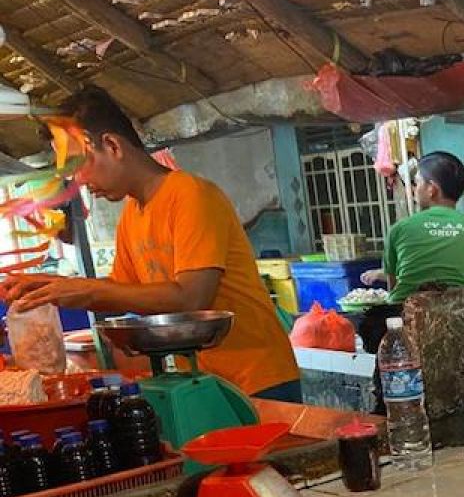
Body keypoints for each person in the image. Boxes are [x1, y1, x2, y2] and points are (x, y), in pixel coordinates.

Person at [0, 87, 302, 402]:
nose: (79, 182)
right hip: (204, 379)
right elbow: (119, 291)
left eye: (79, 166)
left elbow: (192, 297)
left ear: (112, 145)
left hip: (258, 377)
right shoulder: (132, 214)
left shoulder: (191, 195)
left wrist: (81, 290)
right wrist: (53, 287)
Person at [358, 151, 464, 413]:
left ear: (432, 189)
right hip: (453, 327)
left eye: (416, 182)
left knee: (398, 404)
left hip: (400, 332)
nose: (414, 188)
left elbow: (393, 286)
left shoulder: (401, 229)